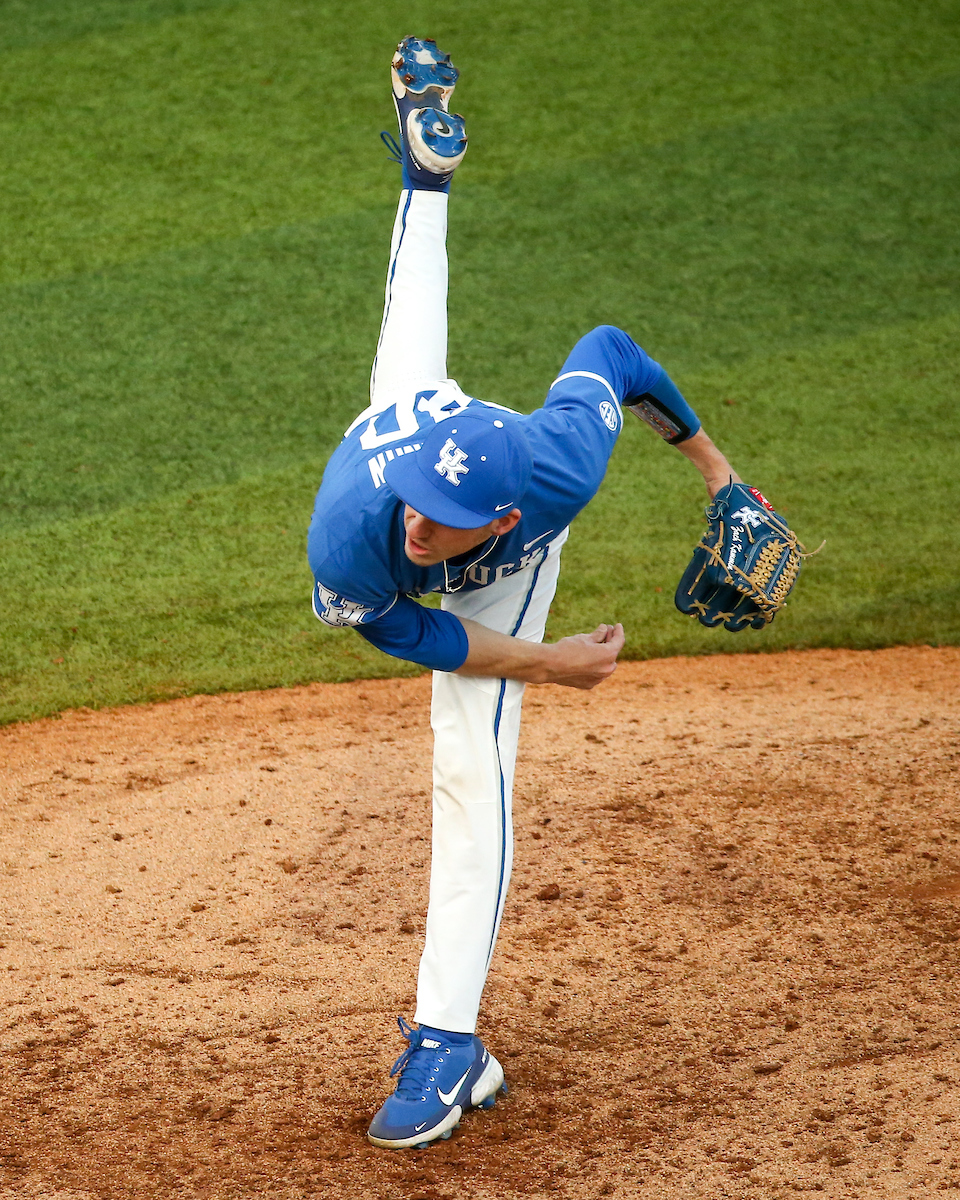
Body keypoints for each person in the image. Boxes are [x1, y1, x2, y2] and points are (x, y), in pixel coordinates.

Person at [307, 36, 743, 1151]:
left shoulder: (556, 470)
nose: (417, 523)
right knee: (403, 351)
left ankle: (448, 1043)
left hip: (506, 521)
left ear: (499, 520)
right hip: (412, 429)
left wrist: (719, 474)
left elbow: (614, 351)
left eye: (439, 517)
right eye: (413, 506)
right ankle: (426, 178)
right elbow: (425, 633)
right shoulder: (357, 536)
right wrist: (555, 666)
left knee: (469, 764)